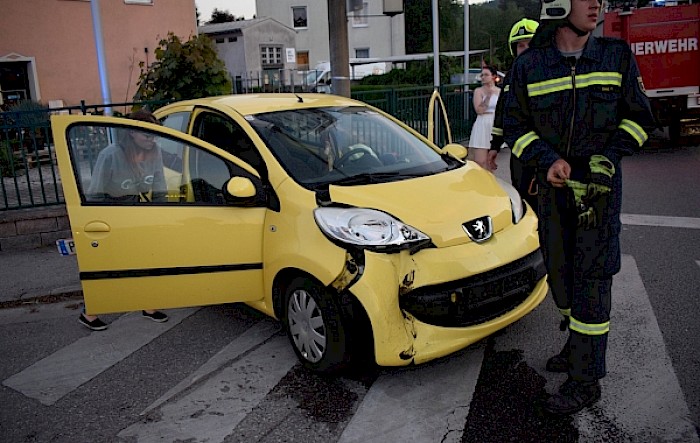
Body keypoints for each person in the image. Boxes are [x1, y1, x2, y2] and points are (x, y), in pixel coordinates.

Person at [501, 0, 655, 415]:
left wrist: (607, 159)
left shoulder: (615, 56)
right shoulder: (530, 66)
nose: (597, 4)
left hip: (599, 199)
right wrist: (547, 160)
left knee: (592, 283)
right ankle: (576, 345)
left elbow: (641, 118)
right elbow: (513, 125)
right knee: (560, 278)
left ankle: (585, 380)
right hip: (553, 197)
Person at [78, 110, 169, 330]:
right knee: (110, 267)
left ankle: (148, 306)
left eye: (153, 134)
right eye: (146, 135)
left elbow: (159, 186)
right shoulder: (110, 154)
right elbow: (96, 192)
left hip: (137, 210)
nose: (151, 139)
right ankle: (90, 313)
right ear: (131, 133)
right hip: (111, 212)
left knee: (144, 261)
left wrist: (163, 213)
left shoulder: (155, 153)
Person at [487, 18, 540, 212]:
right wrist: (494, 145)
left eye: (530, 44)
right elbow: (503, 111)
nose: (525, 50)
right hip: (519, 154)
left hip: (546, 153)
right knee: (522, 200)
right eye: (521, 46)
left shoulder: (552, 73)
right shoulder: (511, 77)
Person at [467, 65, 500, 170]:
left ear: (493, 76)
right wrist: (488, 96)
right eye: (482, 75)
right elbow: (479, 110)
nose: (483, 77)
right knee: (480, 161)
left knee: (490, 161)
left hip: (494, 122)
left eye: (486, 75)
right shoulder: (478, 91)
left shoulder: (500, 91)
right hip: (482, 122)